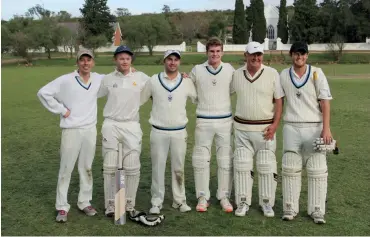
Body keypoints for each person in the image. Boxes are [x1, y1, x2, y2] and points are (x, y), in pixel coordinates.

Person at [37, 49, 102, 223]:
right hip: (71, 130)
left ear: (93, 62)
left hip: (90, 129)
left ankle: (84, 202)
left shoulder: (98, 79)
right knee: (66, 169)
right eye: (82, 60)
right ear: (77, 62)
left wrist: (132, 70)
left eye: (89, 60)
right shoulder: (66, 80)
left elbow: (118, 77)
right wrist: (62, 110)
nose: (86, 63)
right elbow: (43, 92)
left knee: (86, 167)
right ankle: (62, 207)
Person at [279, 42, 335, 224]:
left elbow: (325, 102)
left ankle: (317, 211)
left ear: (307, 56)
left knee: (317, 170)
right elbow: (278, 101)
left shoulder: (317, 73)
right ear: (291, 55)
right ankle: (290, 208)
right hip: (291, 127)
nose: (300, 57)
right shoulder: (283, 75)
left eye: (303, 54)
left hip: (314, 127)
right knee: (290, 169)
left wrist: (326, 129)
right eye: (296, 54)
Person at [230, 42, 284, 217]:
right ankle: (243, 202)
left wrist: (275, 125)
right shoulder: (236, 74)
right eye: (252, 55)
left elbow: (279, 101)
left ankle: (266, 203)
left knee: (267, 166)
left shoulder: (272, 73)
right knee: (242, 166)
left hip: (265, 130)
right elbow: (219, 90)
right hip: (242, 129)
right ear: (245, 55)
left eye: (259, 54)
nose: (256, 58)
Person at [140, 50, 197, 214]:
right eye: (169, 59)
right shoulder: (154, 81)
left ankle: (179, 201)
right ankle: (156, 201)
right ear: (164, 61)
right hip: (158, 131)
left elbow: (198, 98)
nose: (172, 62)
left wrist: (193, 79)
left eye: (175, 60)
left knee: (178, 168)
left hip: (179, 131)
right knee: (157, 167)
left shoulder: (186, 82)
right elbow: (140, 99)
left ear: (179, 62)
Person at [98, 45, 150, 217]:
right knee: (110, 165)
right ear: (115, 60)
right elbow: (90, 92)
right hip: (111, 124)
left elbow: (160, 86)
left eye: (127, 58)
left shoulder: (141, 77)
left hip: (132, 125)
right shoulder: (107, 79)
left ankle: (128, 203)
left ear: (131, 60)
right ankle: (111, 204)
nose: (125, 61)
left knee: (132, 165)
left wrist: (184, 77)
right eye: (121, 58)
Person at [189, 37, 235, 213]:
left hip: (224, 120)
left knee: (224, 159)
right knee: (201, 159)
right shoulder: (197, 70)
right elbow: (188, 87)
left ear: (222, 52)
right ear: (206, 52)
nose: (215, 54)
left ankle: (224, 196)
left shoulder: (229, 69)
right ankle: (203, 196)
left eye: (218, 51)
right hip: (203, 119)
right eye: (211, 51)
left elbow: (231, 89)